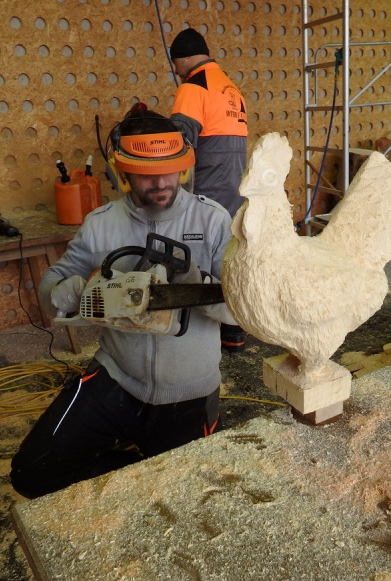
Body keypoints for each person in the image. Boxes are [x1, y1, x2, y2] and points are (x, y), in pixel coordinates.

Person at [10, 109, 237, 499]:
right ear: (123, 172)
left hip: (188, 390)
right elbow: (53, 283)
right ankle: (134, 472)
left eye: (169, 171)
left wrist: (196, 284)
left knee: (187, 495)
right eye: (146, 174)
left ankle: (152, 475)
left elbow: (239, 310)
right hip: (117, 377)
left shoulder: (213, 221)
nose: (160, 183)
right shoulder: (100, 223)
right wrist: (65, 293)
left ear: (183, 166)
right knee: (32, 474)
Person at [169, 27, 248, 352]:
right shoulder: (231, 89)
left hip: (206, 193)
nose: (176, 70)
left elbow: (177, 149)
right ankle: (234, 330)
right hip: (234, 193)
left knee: (200, 267)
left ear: (184, 58)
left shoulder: (192, 87)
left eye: (176, 63)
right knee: (230, 263)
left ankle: (200, 336)